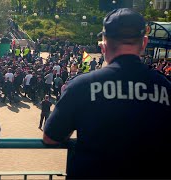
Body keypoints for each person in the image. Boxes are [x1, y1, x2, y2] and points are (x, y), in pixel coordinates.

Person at [43, 8, 171, 179]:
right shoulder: (165, 87)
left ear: (103, 44)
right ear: (144, 42)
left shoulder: (82, 85)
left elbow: (50, 137)